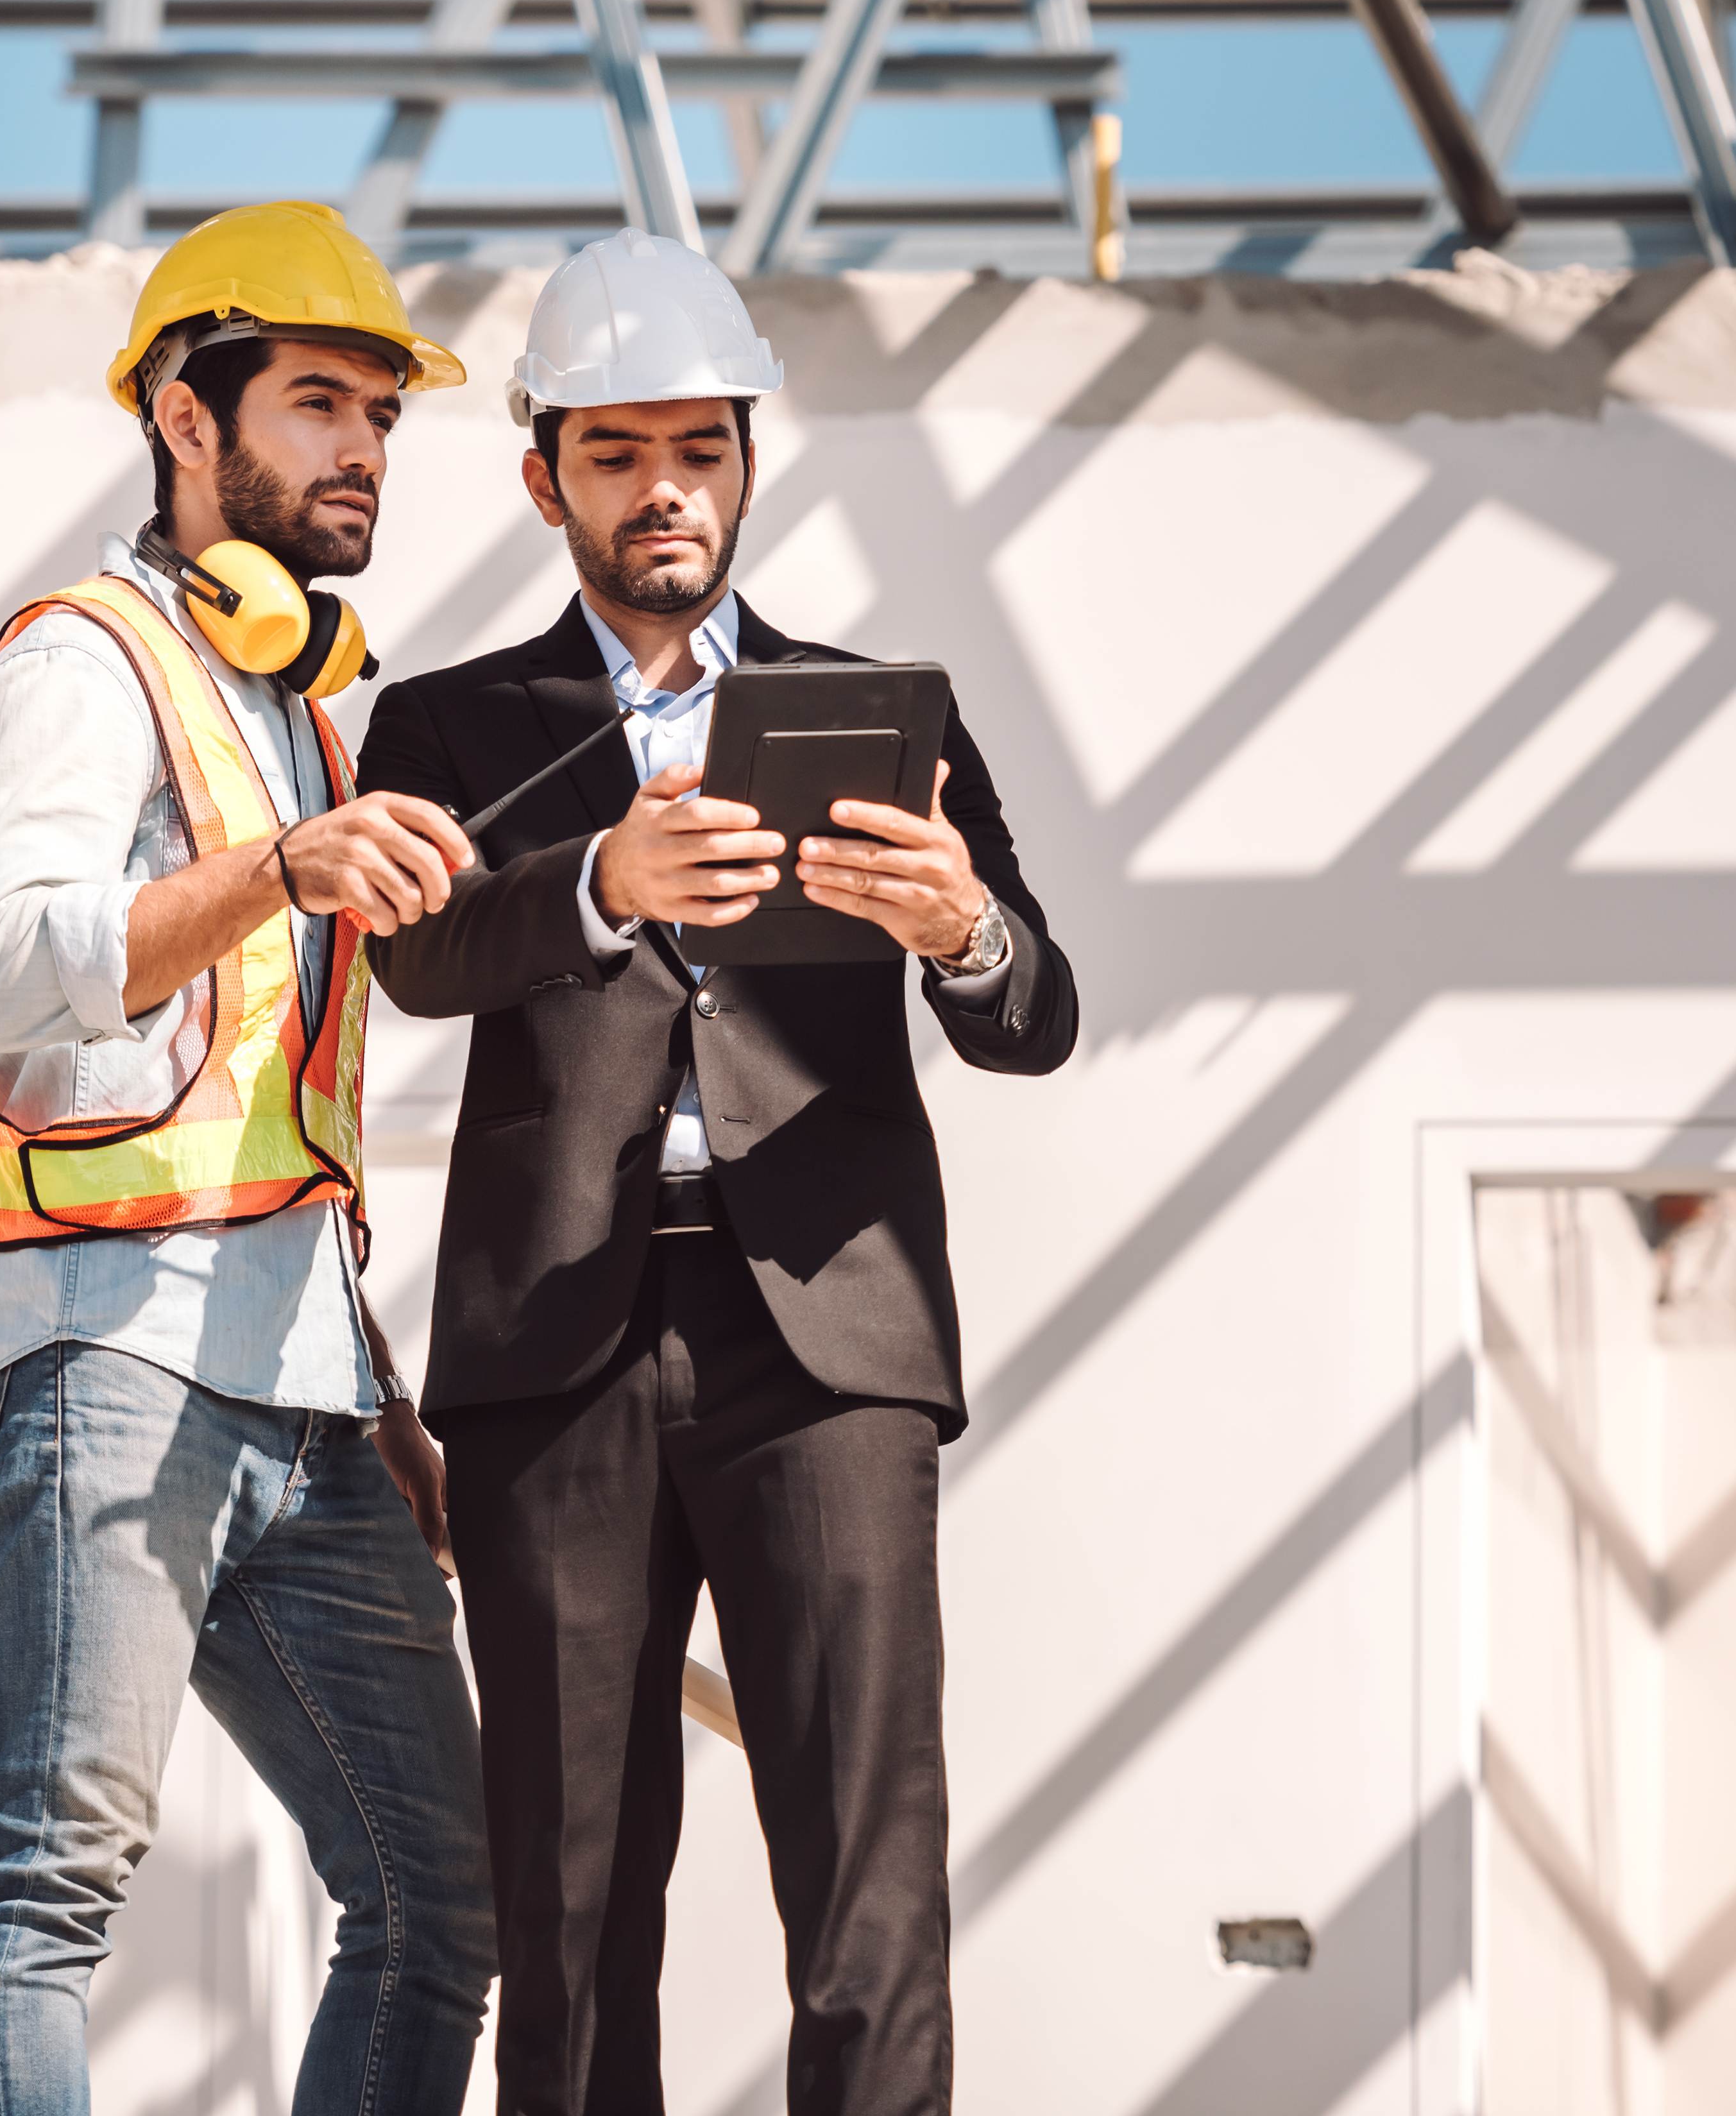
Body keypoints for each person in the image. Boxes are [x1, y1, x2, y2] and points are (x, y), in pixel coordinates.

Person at [357, 229, 1082, 2116]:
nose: (661, 489)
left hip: (826, 1344)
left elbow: (1034, 1015)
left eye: (697, 448)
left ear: (749, 464)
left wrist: (963, 933)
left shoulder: (880, 707)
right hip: (556, 1355)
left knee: (864, 1885)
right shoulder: (446, 724)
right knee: (572, 1900)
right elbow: (414, 958)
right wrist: (600, 883)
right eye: (615, 453)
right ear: (544, 479)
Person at [0, 201, 496, 2115]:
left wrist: (380, 1387)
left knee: (437, 1905)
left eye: (383, 417)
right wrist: (273, 867)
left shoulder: (299, 713)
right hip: (105, 1358)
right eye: (321, 402)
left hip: (308, 1403)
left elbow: (276, 1106)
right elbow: (12, 974)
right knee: (46, 1885)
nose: (362, 452)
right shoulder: (78, 663)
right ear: (187, 416)